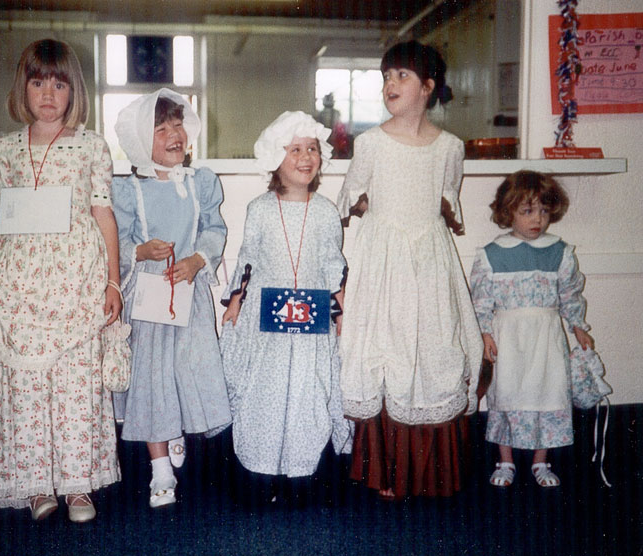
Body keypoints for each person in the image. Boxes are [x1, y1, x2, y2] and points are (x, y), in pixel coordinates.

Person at [0, 39, 122, 523]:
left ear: (73, 90)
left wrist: (113, 283)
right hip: (19, 280)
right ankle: (34, 484)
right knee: (25, 384)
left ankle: (77, 487)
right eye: (37, 81)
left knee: (74, 384)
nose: (48, 93)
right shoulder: (5, 149)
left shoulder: (90, 146)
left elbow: (103, 214)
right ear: (23, 88)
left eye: (59, 82)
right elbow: (0, 221)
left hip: (73, 280)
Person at [337, 40, 483, 500]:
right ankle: (387, 470)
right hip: (384, 260)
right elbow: (351, 199)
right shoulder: (370, 142)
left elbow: (447, 201)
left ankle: (430, 471)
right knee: (387, 344)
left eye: (401, 76)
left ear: (428, 87)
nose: (390, 85)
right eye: (385, 77)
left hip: (430, 258)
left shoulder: (450, 147)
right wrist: (365, 206)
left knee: (432, 345)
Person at [111, 89, 231, 508]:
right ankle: (160, 470)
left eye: (178, 124)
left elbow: (214, 230)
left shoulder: (202, 182)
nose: (174, 134)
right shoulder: (128, 190)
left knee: (188, 367)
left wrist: (199, 260)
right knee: (153, 376)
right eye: (161, 129)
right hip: (150, 295)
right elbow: (115, 243)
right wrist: (140, 252)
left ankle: (176, 426)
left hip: (189, 291)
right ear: (144, 141)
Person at [220, 111, 353, 482]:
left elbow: (333, 266)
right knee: (267, 388)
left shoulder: (326, 213)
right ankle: (260, 468)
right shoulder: (259, 209)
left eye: (312, 148)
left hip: (312, 316)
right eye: (294, 149)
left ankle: (303, 469)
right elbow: (248, 259)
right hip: (268, 315)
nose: (305, 157)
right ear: (274, 160)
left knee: (307, 390)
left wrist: (341, 313)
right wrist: (236, 300)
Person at [471, 170, 594, 488]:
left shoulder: (560, 253)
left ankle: (541, 461)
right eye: (527, 211)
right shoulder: (492, 255)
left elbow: (569, 294)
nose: (537, 218)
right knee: (507, 393)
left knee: (548, 391)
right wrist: (484, 334)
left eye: (543, 210)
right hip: (509, 338)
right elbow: (481, 302)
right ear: (507, 211)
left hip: (546, 337)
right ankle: (506, 459)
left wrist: (578, 325)